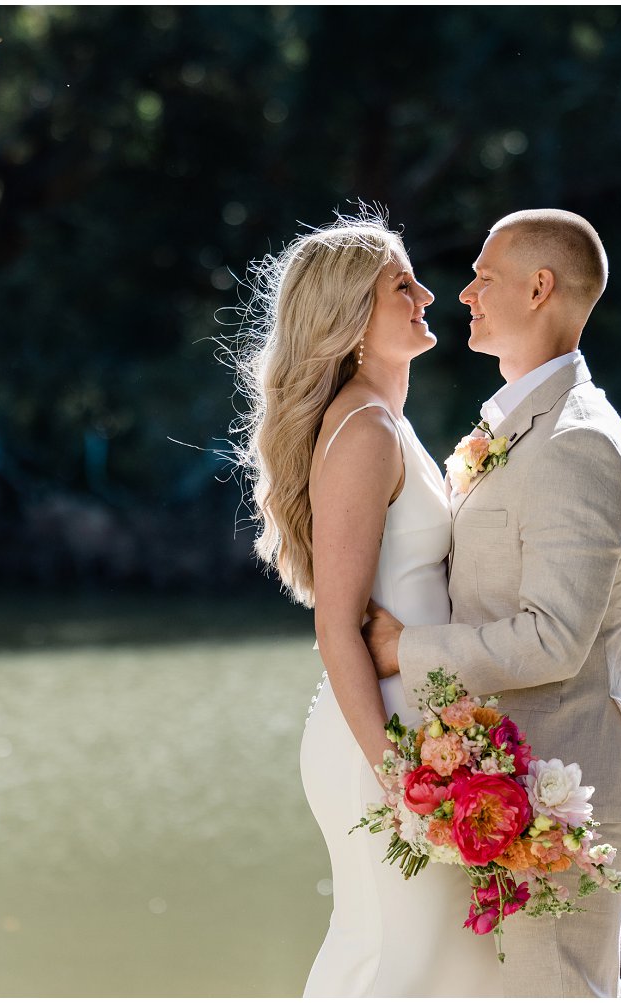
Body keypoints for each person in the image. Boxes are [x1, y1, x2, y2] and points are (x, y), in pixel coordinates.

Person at [363, 209, 621, 997]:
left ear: (539, 287)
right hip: (505, 772)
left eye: (484, 276)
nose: (465, 293)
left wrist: (404, 648)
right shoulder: (521, 425)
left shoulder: (577, 440)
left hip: (562, 780)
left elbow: (554, 639)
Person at [233, 212, 504, 997]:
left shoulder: (385, 421)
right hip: (381, 735)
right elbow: (335, 623)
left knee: (429, 965)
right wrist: (395, 771)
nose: (427, 295)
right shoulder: (364, 430)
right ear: (352, 316)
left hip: (416, 727)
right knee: (393, 964)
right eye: (401, 286)